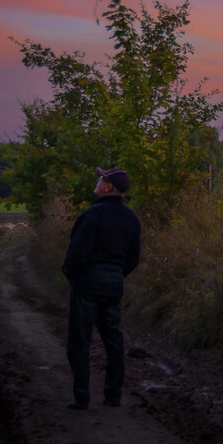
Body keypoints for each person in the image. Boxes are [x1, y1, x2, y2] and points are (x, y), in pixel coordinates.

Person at [61, 167, 141, 410]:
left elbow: (77, 252)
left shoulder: (92, 215)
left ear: (108, 187)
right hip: (114, 287)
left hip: (87, 286)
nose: (97, 181)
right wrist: (117, 274)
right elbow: (133, 258)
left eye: (101, 178)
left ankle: (82, 398)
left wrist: (71, 274)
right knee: (114, 342)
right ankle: (113, 397)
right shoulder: (132, 218)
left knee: (80, 343)